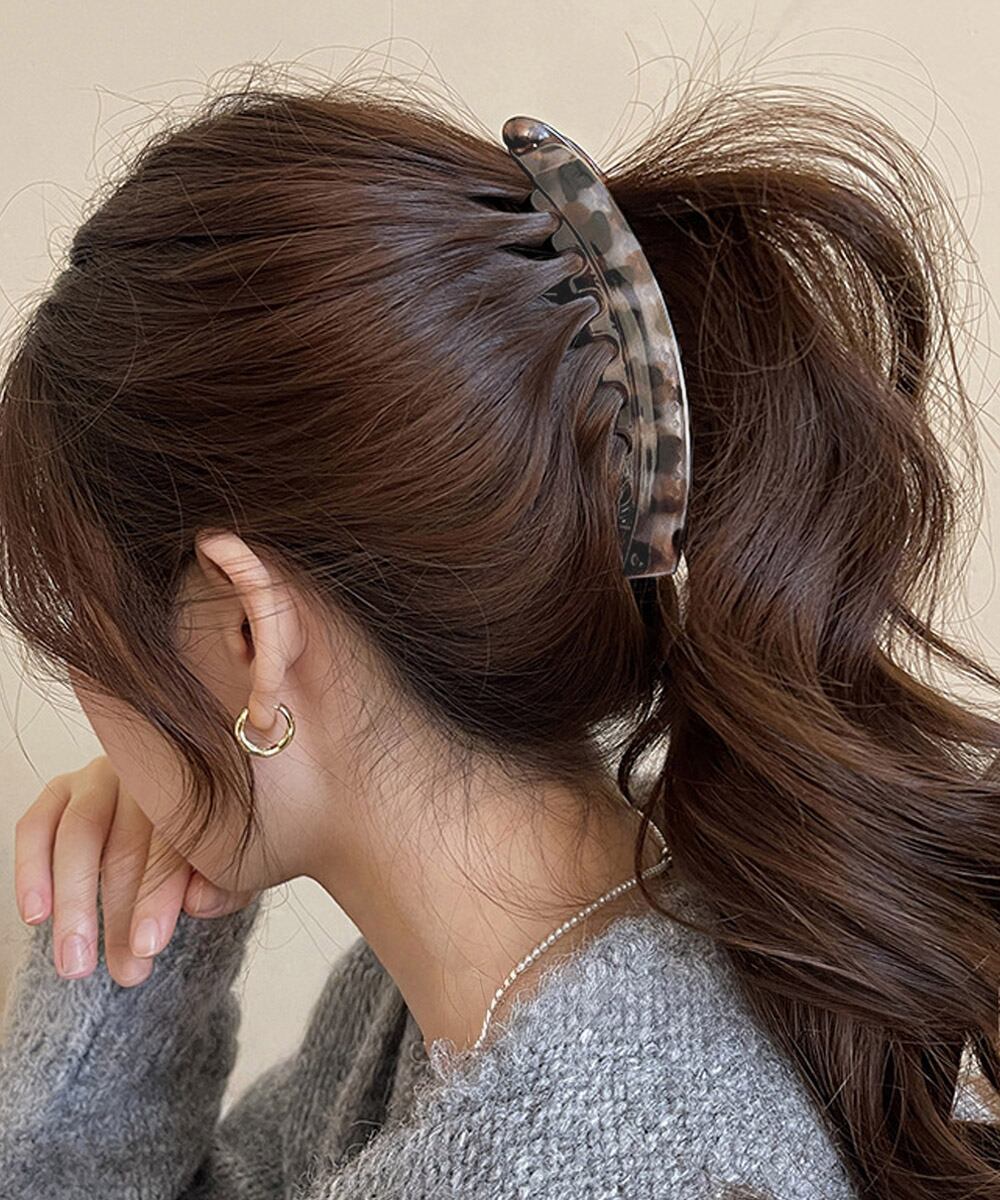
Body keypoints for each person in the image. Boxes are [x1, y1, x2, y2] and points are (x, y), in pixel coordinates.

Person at [0, 69, 999, 1200]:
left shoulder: (574, 1153)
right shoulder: (565, 962)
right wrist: (130, 944)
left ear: (248, 634)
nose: (91, 691)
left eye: (83, 621)